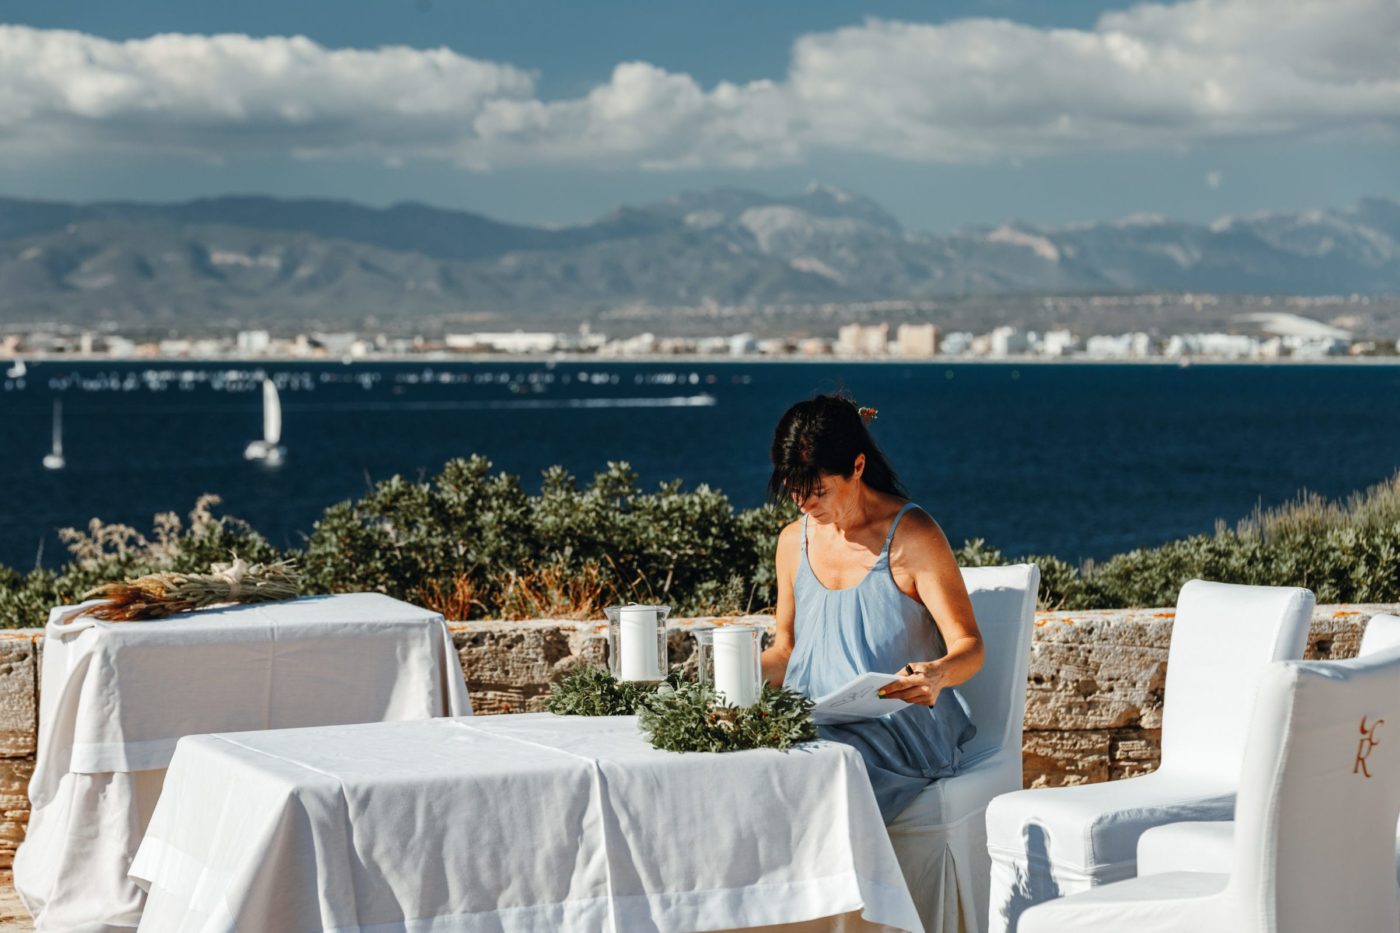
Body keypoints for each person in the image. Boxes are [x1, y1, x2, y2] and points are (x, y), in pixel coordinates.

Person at [761, 392, 984, 822]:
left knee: (812, 774)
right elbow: (786, 651)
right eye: (793, 490)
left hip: (895, 731)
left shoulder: (913, 536)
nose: (803, 504)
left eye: (818, 492)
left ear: (858, 467)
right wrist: (739, 675)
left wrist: (937, 674)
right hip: (810, 723)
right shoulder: (793, 540)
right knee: (747, 764)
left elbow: (970, 645)